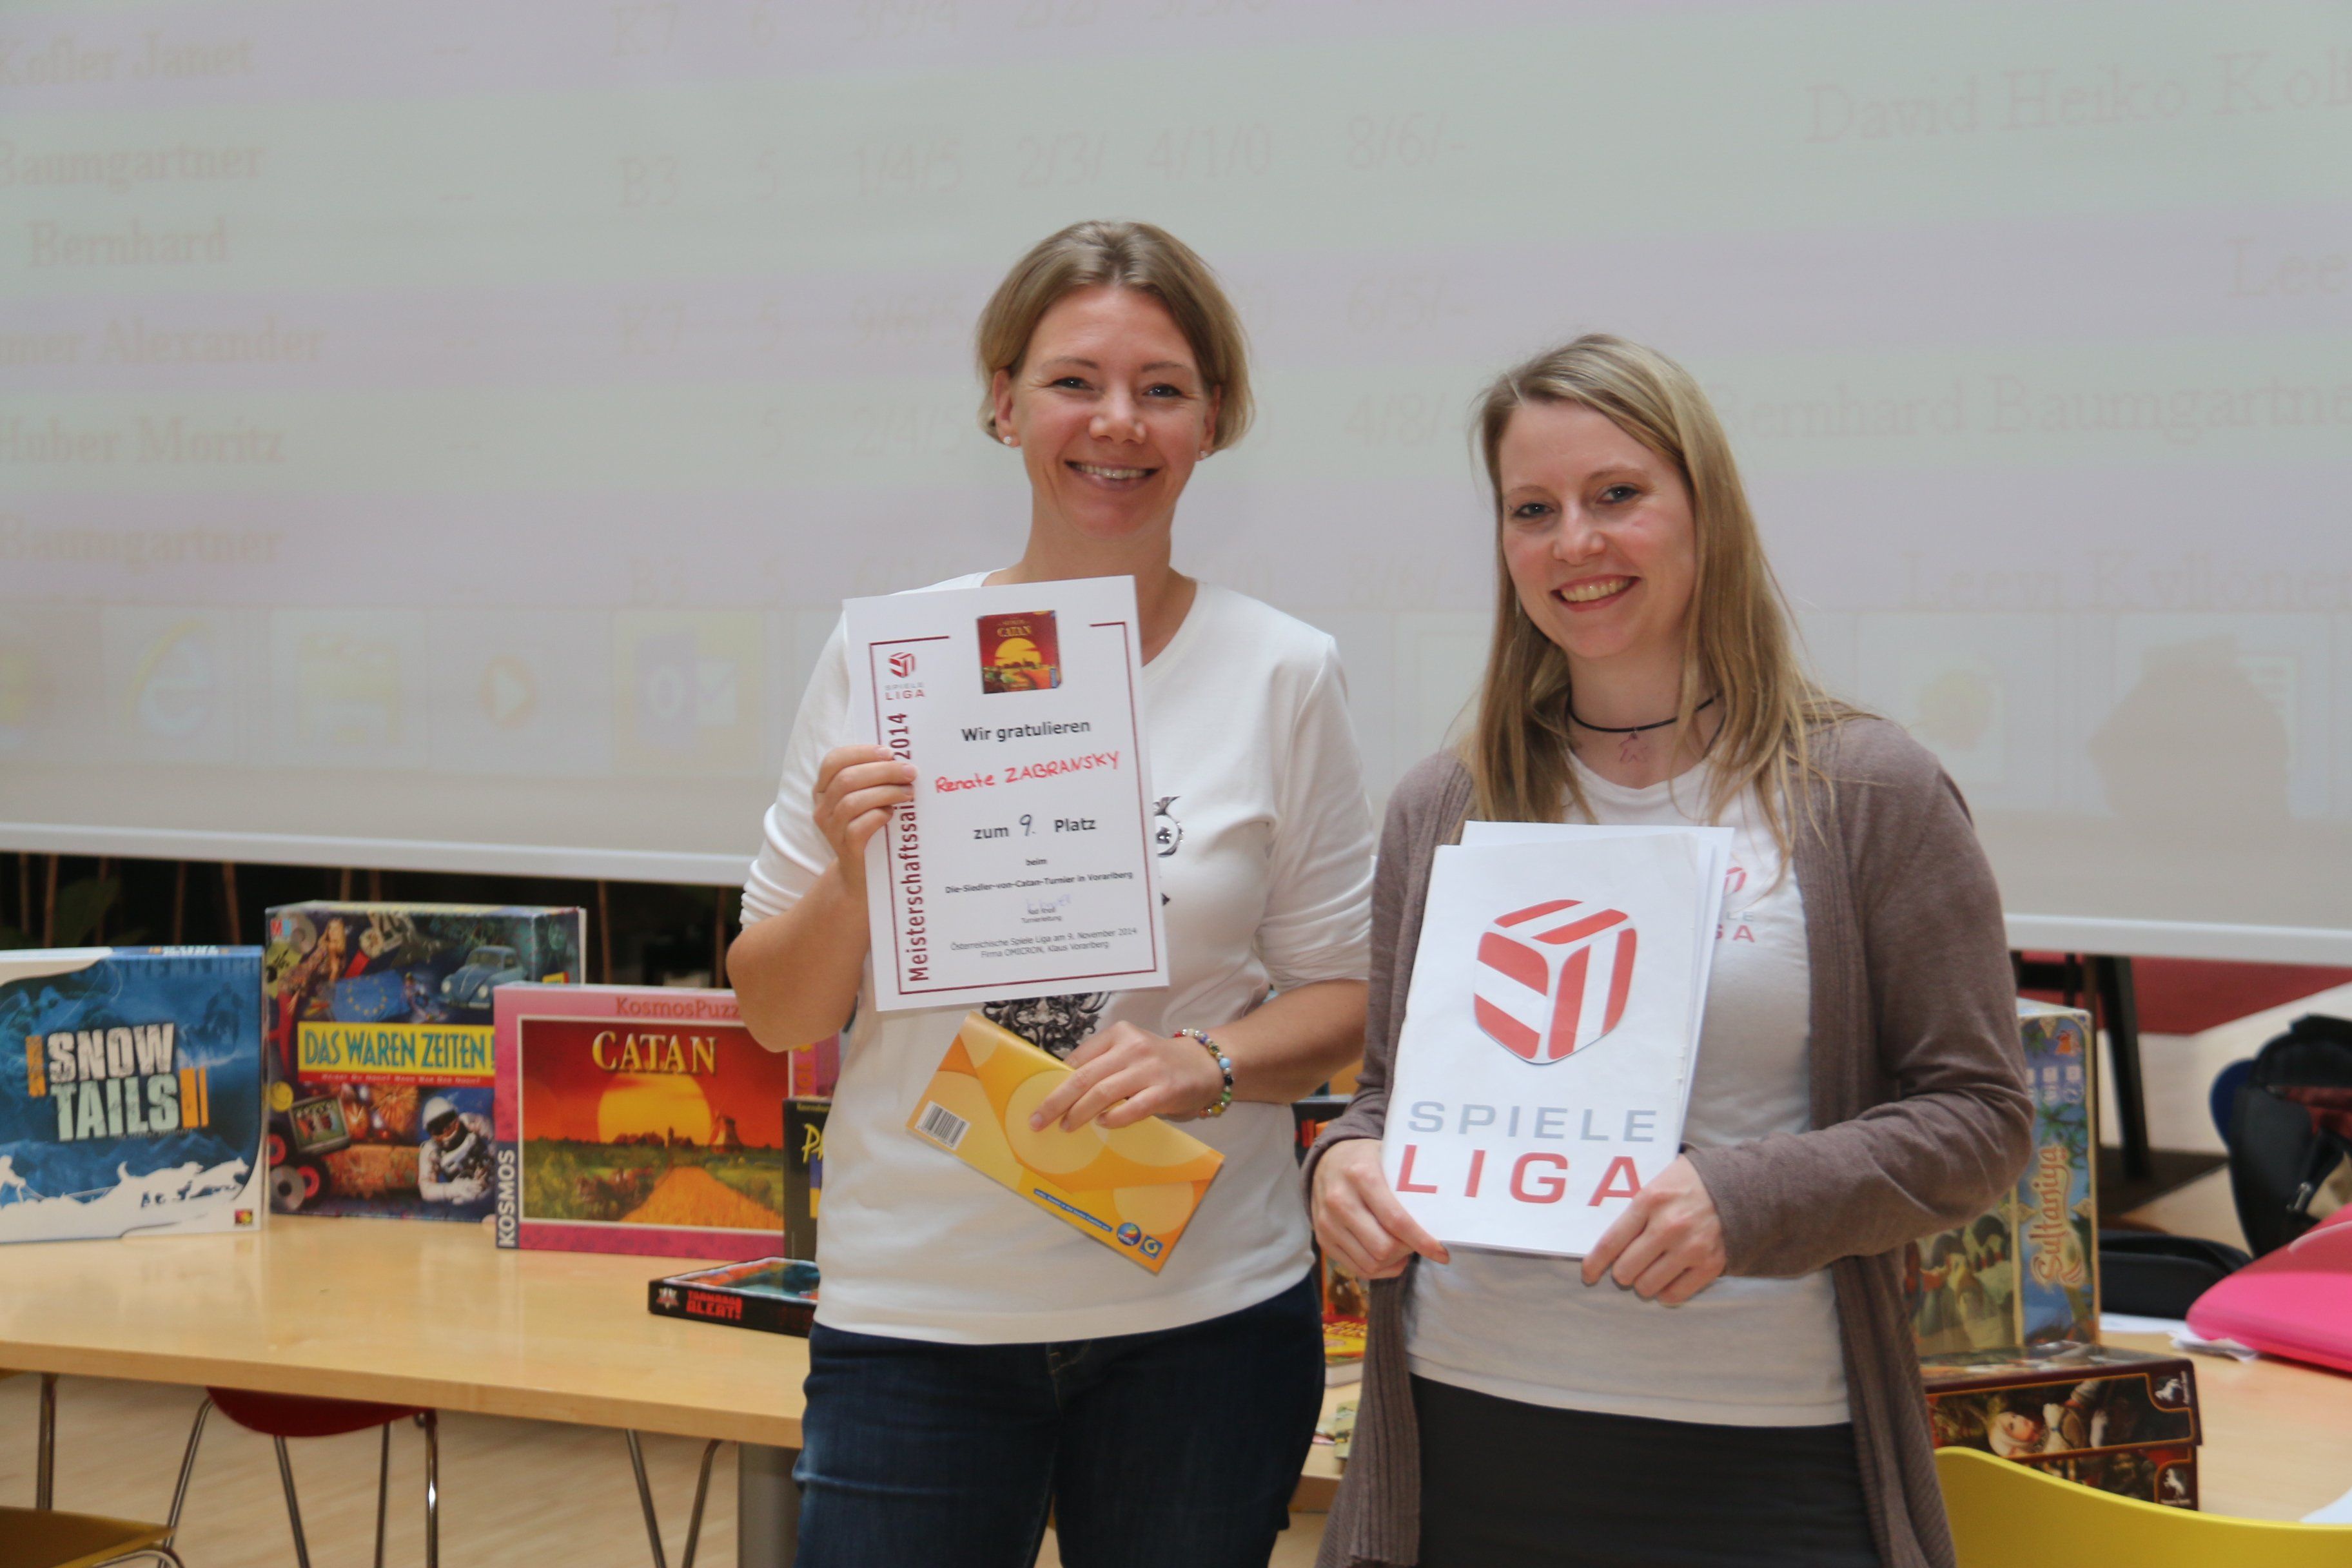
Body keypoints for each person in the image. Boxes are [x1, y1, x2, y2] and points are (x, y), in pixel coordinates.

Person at [1306, 335, 2032, 1568]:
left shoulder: (1869, 791)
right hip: (1464, 1431)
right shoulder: (1447, 803)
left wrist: (1744, 1199)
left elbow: (1982, 1117)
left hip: (1766, 1446)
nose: (1574, 542)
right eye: (1533, 510)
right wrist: (1344, 1165)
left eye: (1617, 495)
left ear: (1708, 514)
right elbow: (1388, 1098)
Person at [729, 219, 1375, 1568]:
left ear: (1211, 421)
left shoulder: (1283, 671)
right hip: (920, 1320)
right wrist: (853, 876)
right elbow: (779, 1013)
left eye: (1163, 387)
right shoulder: (888, 660)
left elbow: (1346, 999)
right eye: (1075, 380)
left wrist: (1209, 1060)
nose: (1117, 422)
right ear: (1004, 402)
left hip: (1203, 1320)